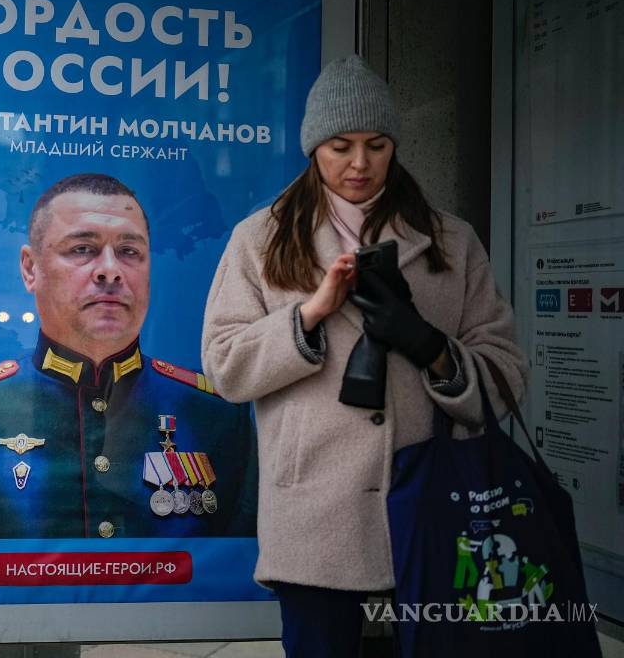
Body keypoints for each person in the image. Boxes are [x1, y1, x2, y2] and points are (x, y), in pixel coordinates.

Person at [200, 55, 526, 656]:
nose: (359, 164)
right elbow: (224, 367)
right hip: (313, 516)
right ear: (312, 149)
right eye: (339, 146)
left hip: (436, 513)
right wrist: (308, 316)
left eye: (376, 145)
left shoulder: (451, 241)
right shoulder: (261, 238)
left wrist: (430, 347)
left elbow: (506, 376)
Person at [0, 173, 258, 539]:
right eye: (82, 249)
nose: (110, 271)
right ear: (30, 268)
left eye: (129, 251)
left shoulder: (215, 415)